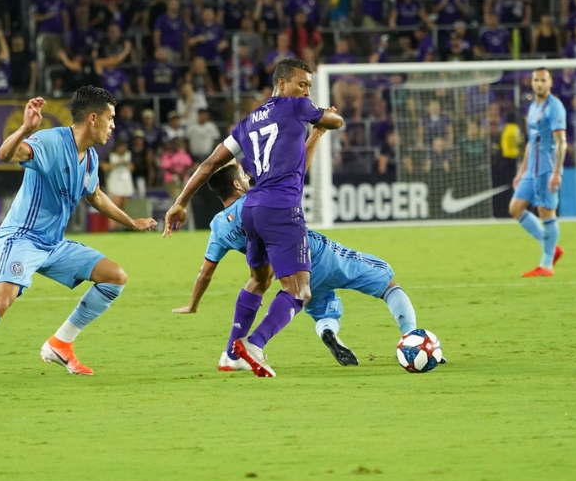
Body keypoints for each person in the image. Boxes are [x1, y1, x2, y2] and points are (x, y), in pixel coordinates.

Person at [0, 87, 158, 393]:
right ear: (92, 118)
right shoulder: (50, 141)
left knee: (114, 277)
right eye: (110, 118)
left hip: (53, 244)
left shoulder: (89, 159)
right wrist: (25, 129)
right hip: (22, 238)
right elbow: (6, 154)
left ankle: (61, 343)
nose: (113, 125)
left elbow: (95, 195)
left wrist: (130, 222)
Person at [162, 59, 344, 377]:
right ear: (282, 84)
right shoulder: (297, 107)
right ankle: (255, 345)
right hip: (282, 209)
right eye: (302, 84)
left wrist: (180, 202)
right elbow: (336, 121)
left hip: (252, 209)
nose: (306, 91)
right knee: (300, 291)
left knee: (261, 279)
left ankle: (231, 353)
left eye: (309, 87)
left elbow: (207, 165)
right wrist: (329, 114)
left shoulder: (246, 124)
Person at [172, 157, 431, 370]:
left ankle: (322, 331)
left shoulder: (218, 226)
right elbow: (296, 167)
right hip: (316, 254)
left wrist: (193, 304)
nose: (249, 177)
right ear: (236, 184)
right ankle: (412, 337)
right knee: (388, 282)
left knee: (320, 305)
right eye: (244, 175)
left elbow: (205, 273)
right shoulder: (259, 198)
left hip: (290, 272)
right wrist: (316, 134)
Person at [511, 68, 566, 278]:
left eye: (543, 80)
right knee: (515, 208)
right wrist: (521, 171)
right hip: (531, 169)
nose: (539, 84)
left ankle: (546, 265)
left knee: (546, 213)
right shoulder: (533, 107)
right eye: (536, 80)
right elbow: (531, 141)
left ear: (550, 82)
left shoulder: (555, 107)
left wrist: (557, 172)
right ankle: (551, 246)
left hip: (546, 168)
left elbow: (562, 142)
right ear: (531, 82)